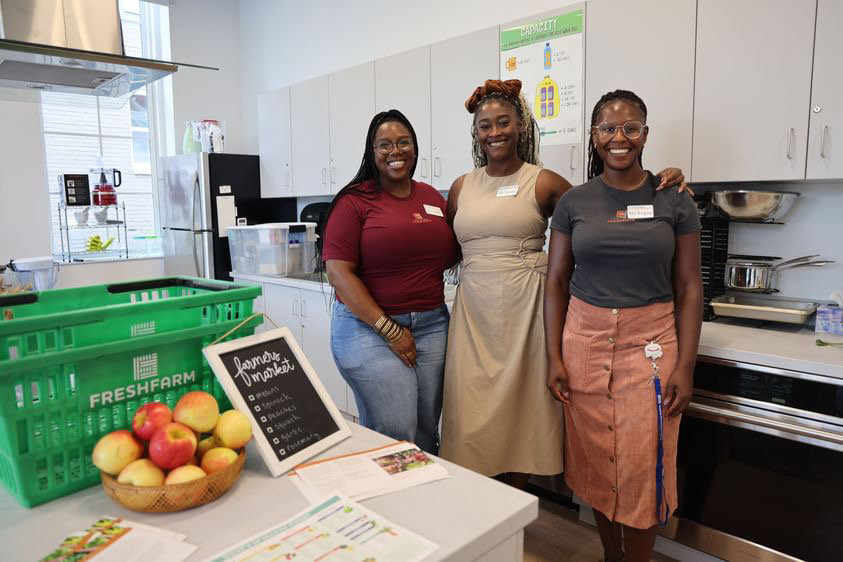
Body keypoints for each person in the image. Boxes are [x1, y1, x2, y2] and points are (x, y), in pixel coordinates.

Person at [440, 79, 687, 487]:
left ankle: (512, 512)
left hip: (526, 310)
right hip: (474, 313)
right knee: (469, 414)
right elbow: (448, 249)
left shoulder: (546, 182)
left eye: (504, 122)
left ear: (521, 126)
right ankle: (477, 511)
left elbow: (603, 213)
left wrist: (661, 181)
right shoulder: (461, 187)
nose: (495, 132)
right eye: (485, 125)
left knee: (518, 417)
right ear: (475, 132)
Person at [544, 89, 702, 562]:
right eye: (608, 129)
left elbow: (691, 288)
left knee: (642, 463)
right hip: (584, 343)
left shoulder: (673, 199)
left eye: (630, 128)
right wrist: (553, 356)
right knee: (597, 461)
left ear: (645, 135)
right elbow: (555, 283)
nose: (619, 138)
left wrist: (686, 366)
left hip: (651, 345)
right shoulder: (574, 203)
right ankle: (612, 556)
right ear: (593, 137)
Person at [322, 109, 459, 454]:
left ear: (415, 148)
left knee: (428, 429)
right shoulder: (354, 201)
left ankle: (422, 504)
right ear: (371, 151)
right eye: (384, 145)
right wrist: (390, 330)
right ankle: (389, 506)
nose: (395, 151)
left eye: (403, 143)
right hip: (367, 328)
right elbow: (338, 273)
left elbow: (450, 253)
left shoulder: (431, 197)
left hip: (432, 324)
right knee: (397, 431)